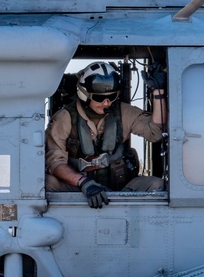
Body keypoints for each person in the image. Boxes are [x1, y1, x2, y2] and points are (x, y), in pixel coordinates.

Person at [46, 61, 166, 208]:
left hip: (120, 188)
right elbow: (54, 162)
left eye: (111, 96)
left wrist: (158, 92)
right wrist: (83, 183)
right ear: (84, 95)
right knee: (48, 183)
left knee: (157, 184)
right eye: (99, 98)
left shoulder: (123, 112)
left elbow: (155, 132)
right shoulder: (64, 118)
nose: (106, 103)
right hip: (80, 188)